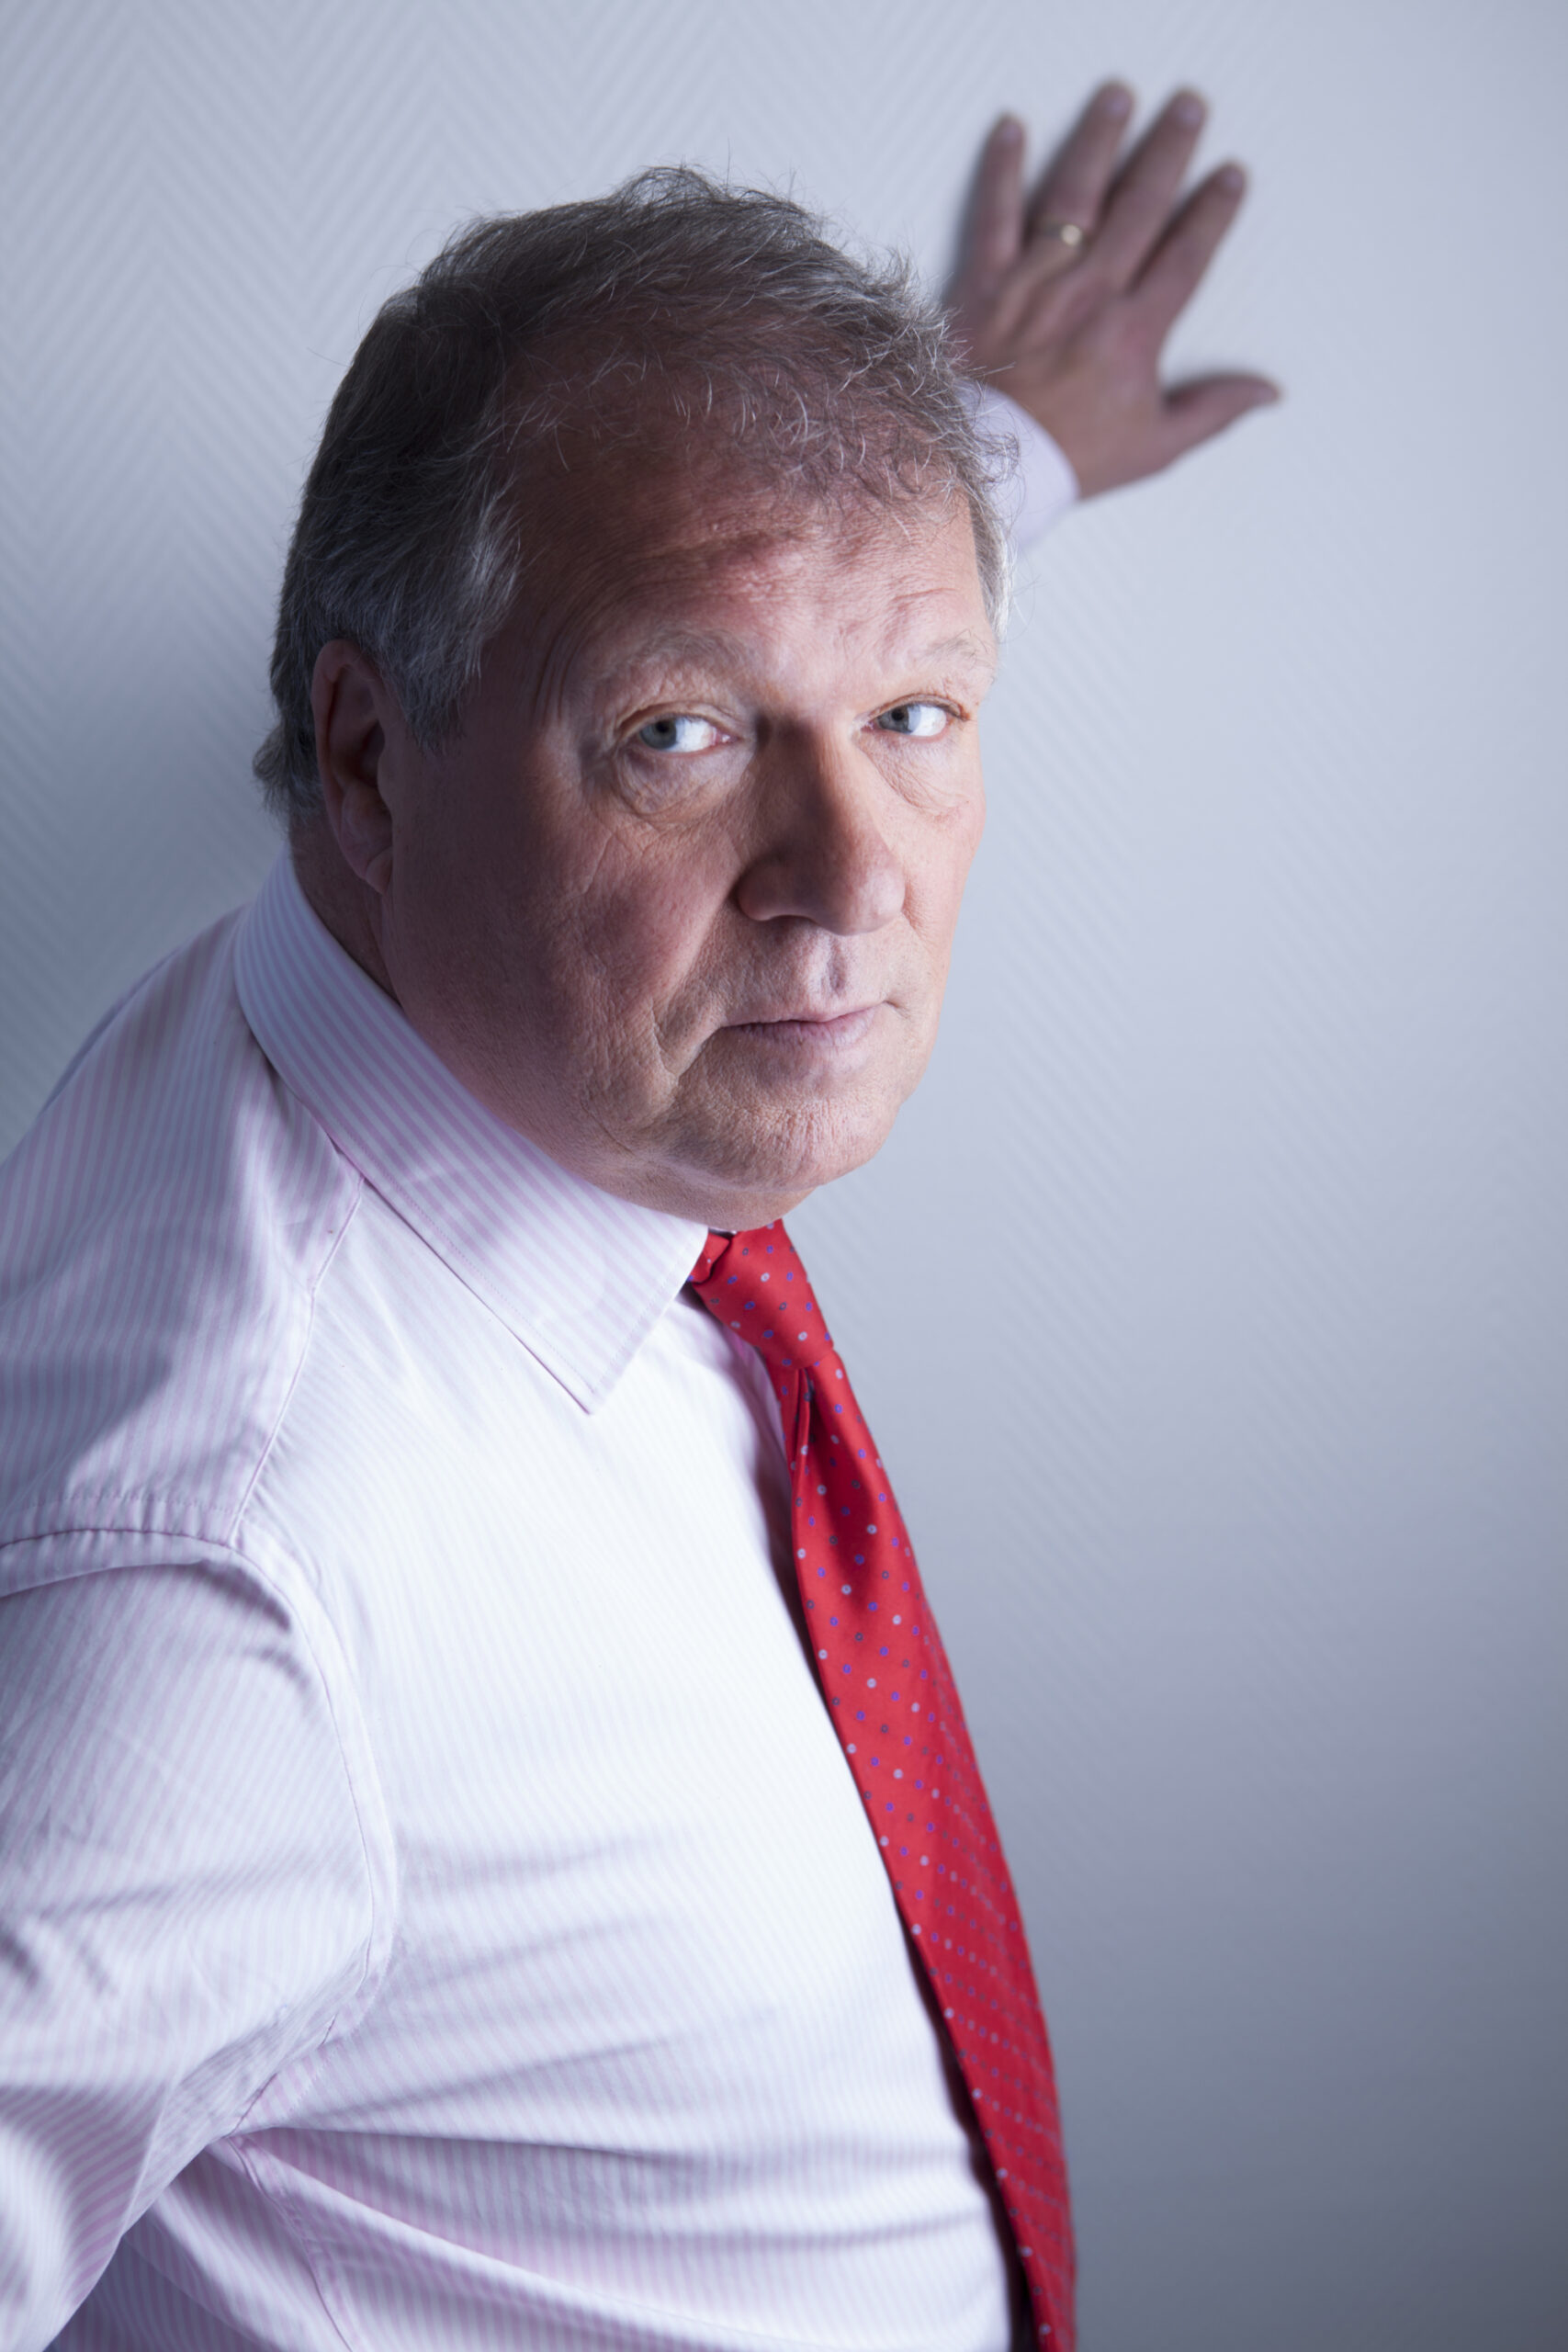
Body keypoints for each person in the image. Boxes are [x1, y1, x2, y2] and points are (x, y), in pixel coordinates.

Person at [0, 85, 1273, 2352]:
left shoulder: (432, 1008)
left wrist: (971, 456)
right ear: (369, 759)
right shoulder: (227, 1592)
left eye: (916, 713)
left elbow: (761, 609)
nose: (853, 878)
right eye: (682, 738)